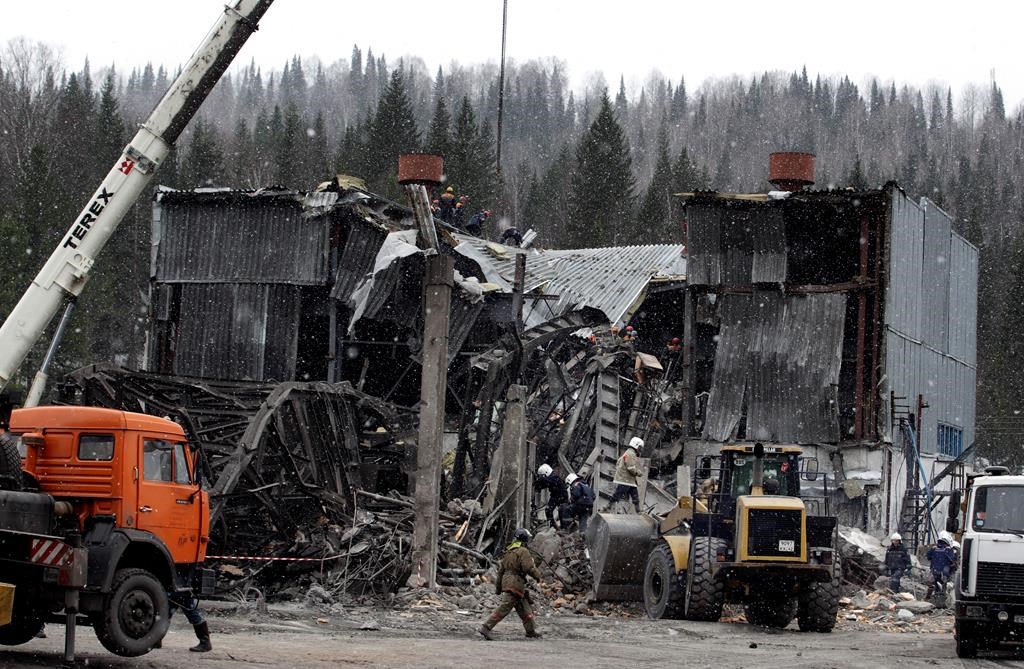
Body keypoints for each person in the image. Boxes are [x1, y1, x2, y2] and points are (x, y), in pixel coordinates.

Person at [479, 528, 543, 640]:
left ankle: (531, 631)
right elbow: (528, 567)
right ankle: (486, 627)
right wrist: (537, 576)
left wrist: (498, 588)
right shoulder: (523, 551)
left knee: (524, 607)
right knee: (505, 607)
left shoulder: (508, 552)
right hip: (516, 583)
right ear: (525, 539)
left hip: (508, 582)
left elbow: (500, 572)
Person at [165, 588, 212, 652]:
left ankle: (205, 643)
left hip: (180, 588)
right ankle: (205, 642)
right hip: (181, 587)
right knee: (165, 613)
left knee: (166, 613)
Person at [608, 436, 644, 512]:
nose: (640, 449)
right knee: (619, 494)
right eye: (640, 447)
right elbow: (630, 468)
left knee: (634, 495)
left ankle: (638, 510)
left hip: (628, 480)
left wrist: (621, 471)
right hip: (626, 480)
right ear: (636, 445)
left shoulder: (628, 452)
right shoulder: (631, 454)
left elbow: (618, 462)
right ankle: (608, 506)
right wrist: (639, 473)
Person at [535, 464, 568, 529]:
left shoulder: (554, 477)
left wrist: (540, 480)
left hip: (561, 495)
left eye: (542, 475)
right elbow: (546, 484)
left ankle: (564, 528)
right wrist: (538, 485)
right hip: (555, 495)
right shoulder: (551, 478)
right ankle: (553, 526)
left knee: (562, 511)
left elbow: (548, 481)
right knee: (548, 510)